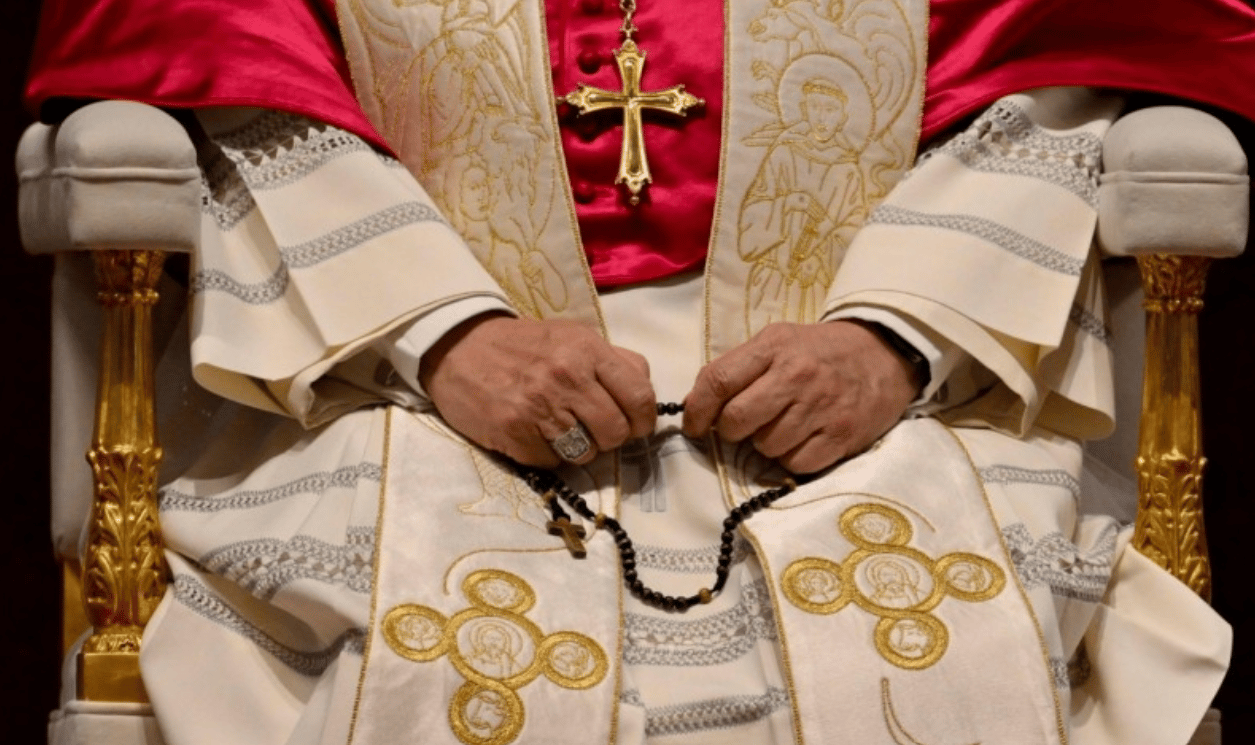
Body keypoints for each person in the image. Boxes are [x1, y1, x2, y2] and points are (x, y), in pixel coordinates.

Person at [24, 0, 1255, 743]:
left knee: (947, 626)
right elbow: (234, 76)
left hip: (879, 390)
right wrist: (448, 334)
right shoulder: (428, 351)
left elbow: (1062, 74)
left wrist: (892, 341)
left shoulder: (886, 359)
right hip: (394, 377)